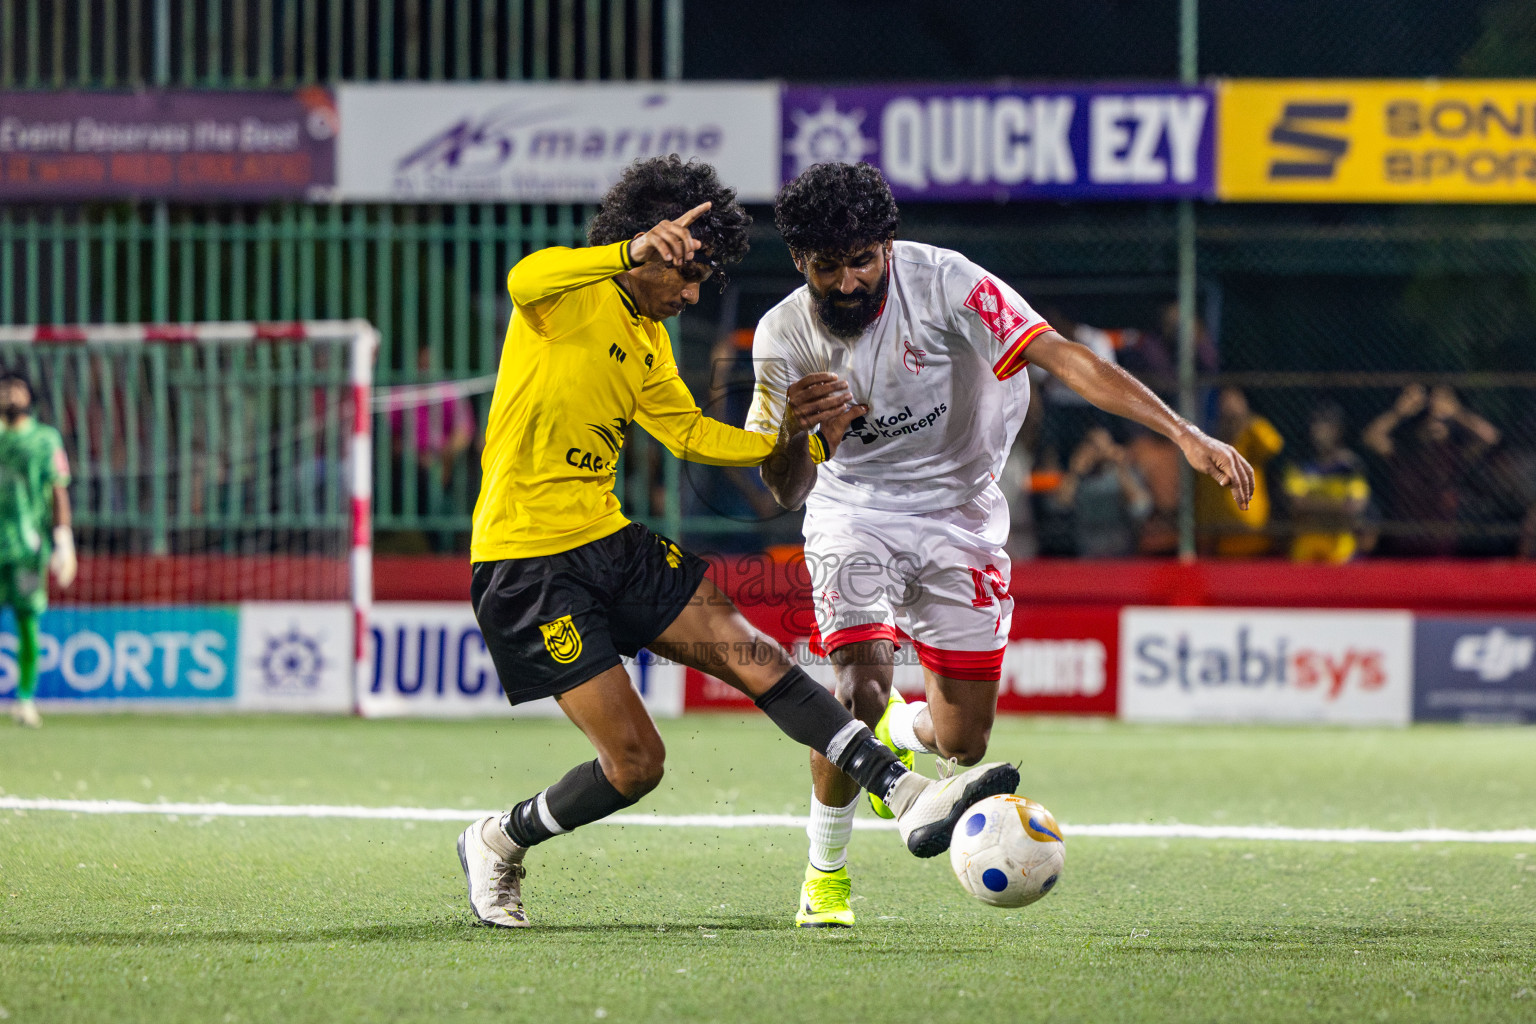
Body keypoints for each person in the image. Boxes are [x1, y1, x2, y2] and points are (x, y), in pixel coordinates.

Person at [458, 156, 1021, 929]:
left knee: (759, 658)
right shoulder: (564, 297)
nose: (692, 296)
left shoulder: (648, 340)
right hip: (525, 564)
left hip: (608, 542)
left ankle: (906, 792)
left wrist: (801, 440)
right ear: (646, 248)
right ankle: (497, 840)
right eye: (686, 277)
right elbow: (527, 276)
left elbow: (690, 434)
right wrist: (627, 254)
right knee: (635, 767)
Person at [745, 162, 1254, 928]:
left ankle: (894, 729)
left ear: (889, 246)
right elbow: (784, 491)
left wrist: (1182, 432)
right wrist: (792, 434)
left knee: (963, 741)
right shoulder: (782, 337)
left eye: (863, 261)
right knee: (856, 684)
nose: (848, 282)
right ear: (798, 262)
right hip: (854, 511)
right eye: (827, 267)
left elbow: (1066, 360)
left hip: (963, 512)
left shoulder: (949, 283)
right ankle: (827, 876)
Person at [0, 370, 75, 728]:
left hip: (26, 548)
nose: (9, 396)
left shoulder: (45, 439)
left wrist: (63, 540)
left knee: (28, 621)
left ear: (30, 395)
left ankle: (25, 699)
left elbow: (57, 489)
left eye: (16, 389)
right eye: (3, 390)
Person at [1362, 384, 1500, 556]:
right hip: (1404, 548)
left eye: (1441, 421)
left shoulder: (1452, 455)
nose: (1436, 424)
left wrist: (1456, 412)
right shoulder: (1405, 454)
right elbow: (1371, 437)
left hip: (1441, 549)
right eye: (1429, 419)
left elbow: (1490, 438)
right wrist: (1399, 412)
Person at [1195, 387, 1283, 557]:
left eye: (1234, 410)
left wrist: (1246, 418)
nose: (1229, 414)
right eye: (1225, 411)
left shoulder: (1250, 441)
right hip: (1220, 544)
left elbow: (1274, 444)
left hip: (1254, 541)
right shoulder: (1208, 449)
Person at [1282, 401, 1370, 564]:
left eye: (1326, 425)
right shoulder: (1300, 464)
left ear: (1338, 431)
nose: (1320, 431)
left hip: (1341, 552)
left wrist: (1312, 506)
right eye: (1316, 424)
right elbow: (1296, 506)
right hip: (1305, 552)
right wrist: (1336, 507)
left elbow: (1354, 508)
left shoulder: (1350, 467)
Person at [1050, 426, 1153, 558]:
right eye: (1094, 446)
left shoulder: (1120, 473)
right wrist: (1075, 472)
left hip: (1122, 553)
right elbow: (1060, 506)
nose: (1099, 452)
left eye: (1103, 446)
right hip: (1086, 553)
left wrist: (1121, 468)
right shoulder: (1080, 475)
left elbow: (1141, 508)